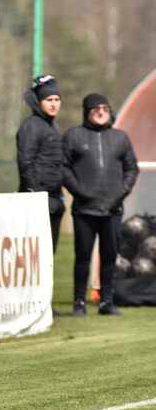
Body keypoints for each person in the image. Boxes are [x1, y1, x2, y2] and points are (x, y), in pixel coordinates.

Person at [62, 93, 138, 316]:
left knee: (109, 255)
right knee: (83, 256)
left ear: (110, 111)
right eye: (95, 108)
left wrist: (122, 191)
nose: (101, 112)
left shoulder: (120, 138)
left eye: (105, 108)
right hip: (84, 208)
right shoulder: (74, 136)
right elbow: (63, 167)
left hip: (113, 208)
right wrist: (78, 190)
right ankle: (79, 303)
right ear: (87, 112)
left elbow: (132, 168)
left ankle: (106, 301)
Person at [16, 74, 66, 252]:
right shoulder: (31, 126)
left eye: (57, 99)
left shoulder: (54, 127)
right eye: (49, 99)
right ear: (38, 102)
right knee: (33, 257)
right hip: (37, 202)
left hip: (54, 201)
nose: (54, 104)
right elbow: (25, 163)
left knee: (48, 257)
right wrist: (34, 197)